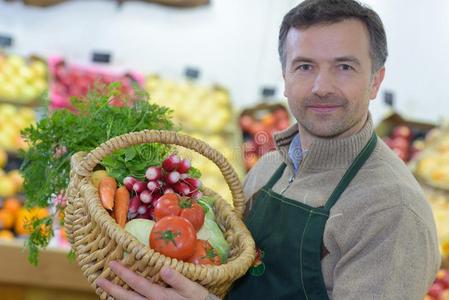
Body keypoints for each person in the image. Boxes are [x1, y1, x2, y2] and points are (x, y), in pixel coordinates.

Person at [96, 0, 441, 299]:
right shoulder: (267, 169)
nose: (322, 87)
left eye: (344, 67)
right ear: (285, 78)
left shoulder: (391, 211)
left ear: (375, 81)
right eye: (305, 66)